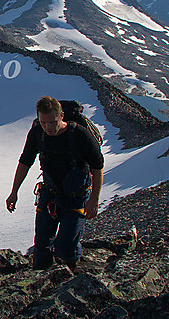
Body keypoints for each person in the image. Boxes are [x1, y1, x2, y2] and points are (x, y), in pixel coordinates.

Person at [6, 96, 104, 270]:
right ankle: (40, 285)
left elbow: (98, 166)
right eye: (44, 123)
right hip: (49, 195)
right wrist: (14, 192)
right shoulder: (37, 133)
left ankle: (70, 276)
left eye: (53, 122)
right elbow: (25, 161)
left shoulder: (79, 134)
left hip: (77, 196)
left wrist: (94, 199)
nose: (48, 127)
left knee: (66, 247)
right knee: (42, 246)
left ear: (62, 116)